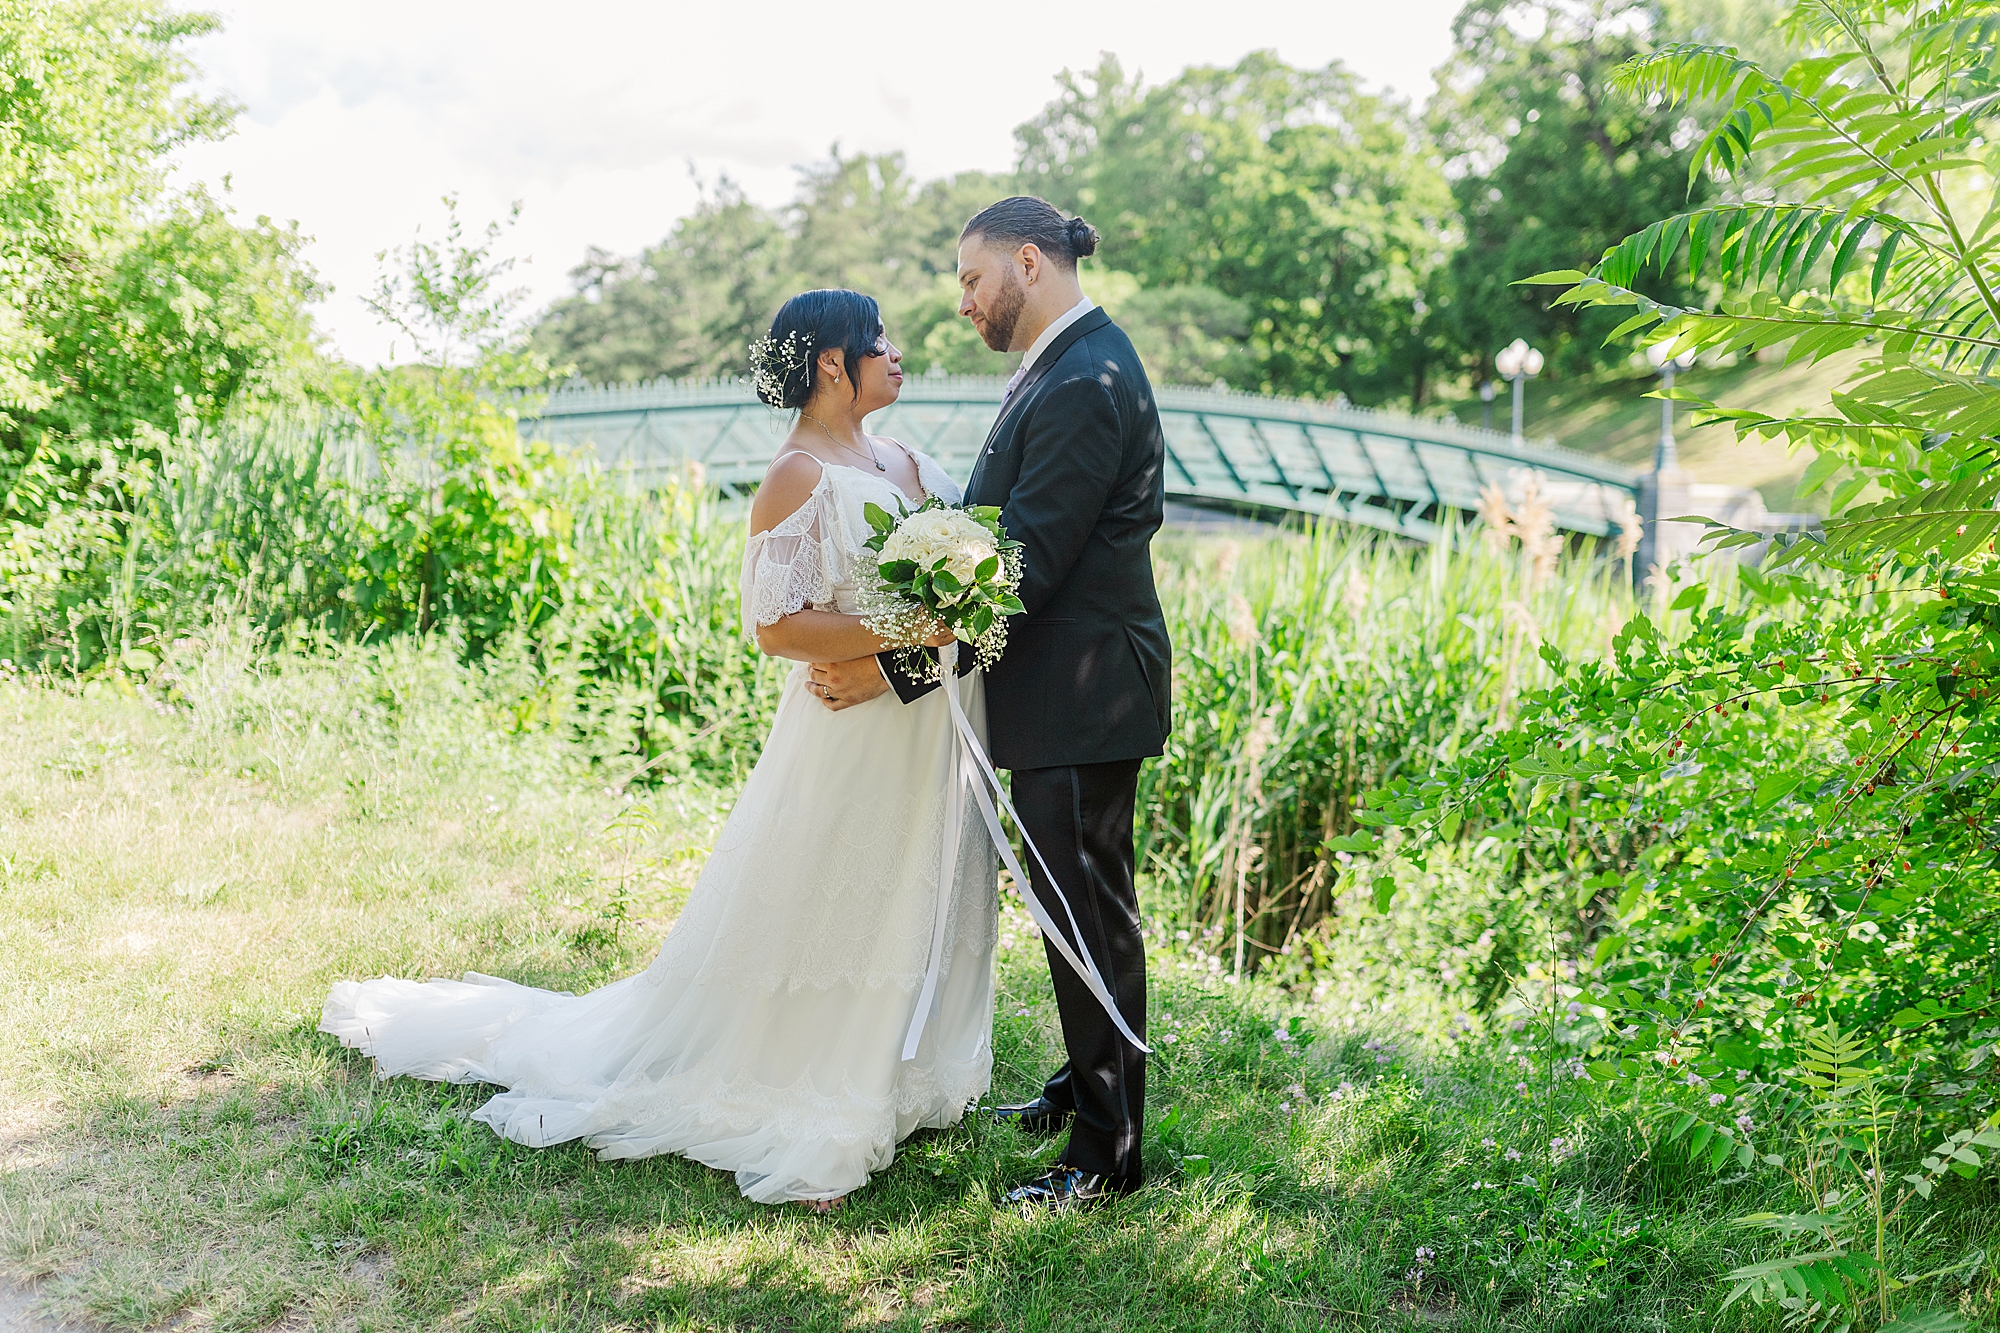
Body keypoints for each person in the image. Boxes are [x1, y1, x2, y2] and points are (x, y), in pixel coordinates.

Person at [320, 289, 997, 1211]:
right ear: (833, 364)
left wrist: (929, 626)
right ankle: (800, 1089)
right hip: (844, 733)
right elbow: (779, 624)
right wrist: (905, 625)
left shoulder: (907, 463)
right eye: (880, 343)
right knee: (828, 889)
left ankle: (888, 1073)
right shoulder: (794, 478)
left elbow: (969, 594)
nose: (898, 353)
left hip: (923, 725)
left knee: (901, 892)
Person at [807, 197, 1171, 1210]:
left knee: (1087, 916)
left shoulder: (1086, 379)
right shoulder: (1063, 361)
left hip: (1082, 693)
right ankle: (1077, 1091)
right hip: (1066, 690)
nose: (963, 302)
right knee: (1072, 909)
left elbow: (1024, 569)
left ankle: (1107, 1154)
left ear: (1025, 262)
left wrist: (890, 671)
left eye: (970, 280)